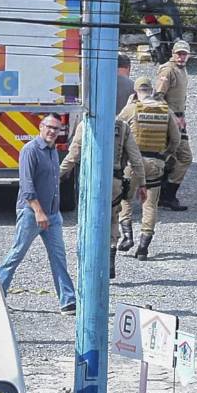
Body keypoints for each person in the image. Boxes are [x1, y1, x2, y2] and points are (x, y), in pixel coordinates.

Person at [0, 114, 77, 315]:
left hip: (52, 214)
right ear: (40, 127)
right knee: (16, 254)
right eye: (49, 127)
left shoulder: (52, 152)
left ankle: (68, 301)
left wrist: (53, 212)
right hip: (32, 214)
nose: (52, 132)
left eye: (56, 129)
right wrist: (39, 212)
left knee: (59, 257)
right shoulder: (30, 150)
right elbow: (27, 186)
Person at [60, 116, 144, 279]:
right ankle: (110, 260)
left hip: (91, 181)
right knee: (113, 219)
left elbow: (73, 156)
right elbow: (135, 158)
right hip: (115, 182)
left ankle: (90, 264)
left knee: (89, 220)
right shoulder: (123, 127)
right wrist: (142, 183)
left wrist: (57, 174)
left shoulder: (86, 125)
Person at [117, 78, 182, 261]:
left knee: (126, 198)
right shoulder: (165, 110)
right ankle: (143, 248)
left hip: (132, 163)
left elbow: (116, 128)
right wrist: (165, 155)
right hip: (155, 163)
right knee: (150, 204)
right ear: (152, 90)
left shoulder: (131, 109)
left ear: (136, 91)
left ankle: (127, 236)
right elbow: (176, 140)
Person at [154, 39, 193, 210]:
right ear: (173, 54)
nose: (181, 57)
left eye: (184, 54)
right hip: (169, 121)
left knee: (170, 158)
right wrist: (173, 117)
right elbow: (157, 97)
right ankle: (168, 195)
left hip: (178, 119)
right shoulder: (168, 70)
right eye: (179, 54)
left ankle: (162, 194)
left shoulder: (182, 69)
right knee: (185, 157)